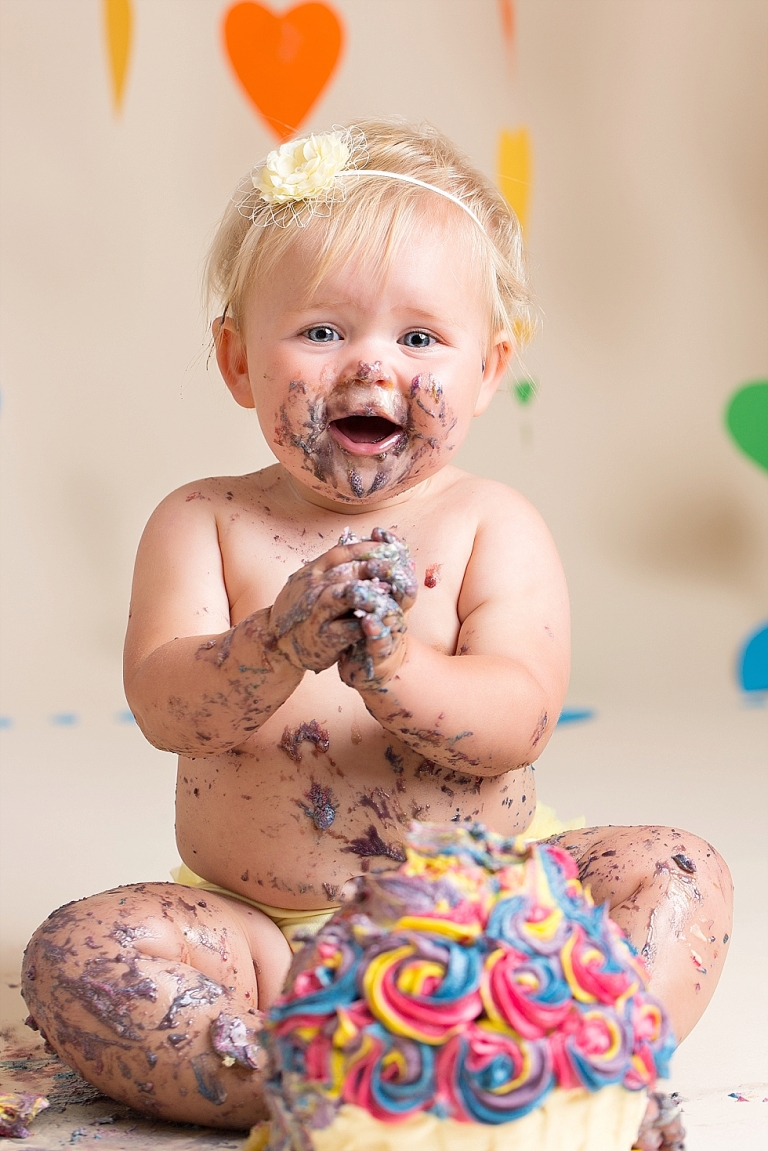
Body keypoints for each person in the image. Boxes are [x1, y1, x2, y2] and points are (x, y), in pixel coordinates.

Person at [21, 120, 731, 1142]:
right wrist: (274, 642)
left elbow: (518, 715)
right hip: (268, 942)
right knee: (79, 953)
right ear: (236, 359)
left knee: (678, 869)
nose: (370, 364)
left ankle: (587, 1054)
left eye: (419, 338)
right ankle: (315, 1080)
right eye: (319, 331)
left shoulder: (495, 524)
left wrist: (396, 667)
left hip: (492, 919)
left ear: (489, 370)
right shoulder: (201, 521)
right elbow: (166, 703)